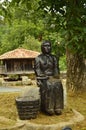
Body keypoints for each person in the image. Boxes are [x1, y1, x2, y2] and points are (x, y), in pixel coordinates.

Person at [34, 40, 64, 115]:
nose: (47, 48)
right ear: (42, 47)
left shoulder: (54, 58)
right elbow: (37, 70)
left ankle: (58, 106)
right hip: (43, 78)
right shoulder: (38, 58)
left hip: (52, 77)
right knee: (49, 85)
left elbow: (56, 69)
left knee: (58, 84)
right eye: (45, 46)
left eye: (49, 46)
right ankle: (48, 107)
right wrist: (42, 77)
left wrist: (56, 77)